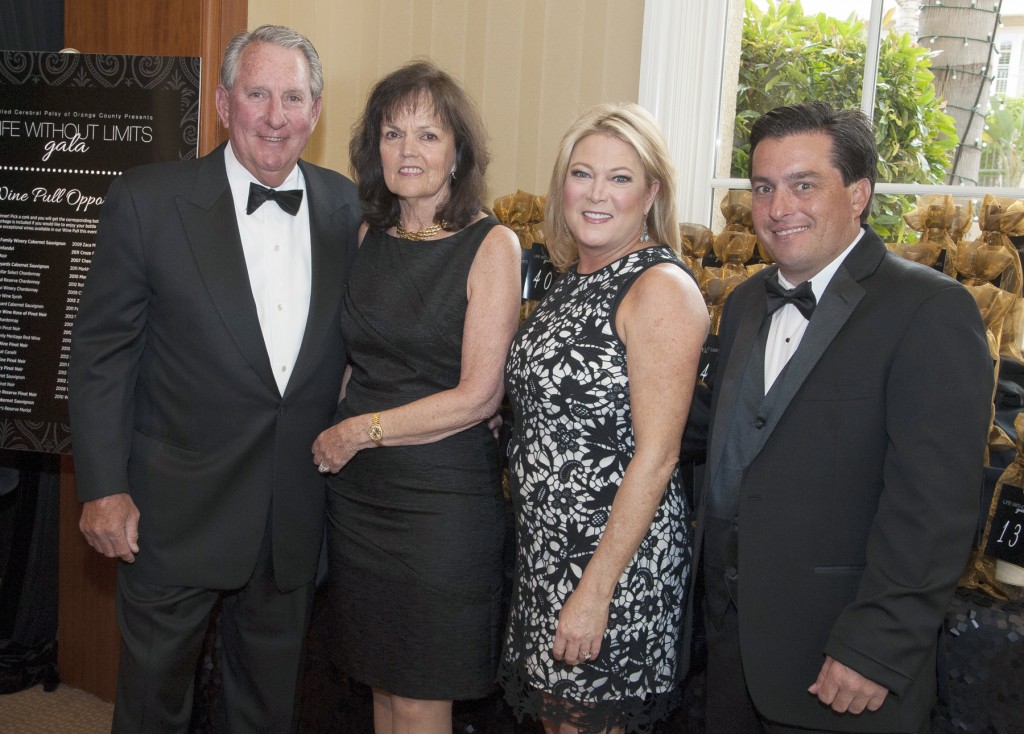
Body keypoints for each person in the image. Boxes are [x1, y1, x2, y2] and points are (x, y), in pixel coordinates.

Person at [68, 25, 360, 732]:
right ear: (224, 104)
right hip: (173, 512)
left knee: (264, 711)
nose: (274, 114)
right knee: (152, 707)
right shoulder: (147, 200)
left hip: (290, 515)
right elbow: (101, 355)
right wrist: (104, 489)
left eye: (292, 97)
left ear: (315, 112)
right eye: (257, 93)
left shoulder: (346, 209)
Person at [691, 101, 993, 733]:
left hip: (845, 667)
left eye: (805, 185)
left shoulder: (930, 309)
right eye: (765, 188)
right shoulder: (746, 303)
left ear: (859, 194)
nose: (778, 209)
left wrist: (874, 647)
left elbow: (935, 507)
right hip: (730, 655)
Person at [310, 60, 521, 734]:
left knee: (423, 688)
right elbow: (356, 361)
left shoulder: (493, 245)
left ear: (459, 151)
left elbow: (478, 397)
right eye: (393, 134)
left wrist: (355, 431)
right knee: (380, 684)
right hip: (360, 499)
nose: (408, 151)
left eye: (428, 136)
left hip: (440, 502)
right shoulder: (370, 238)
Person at [499, 102, 709, 734]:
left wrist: (595, 591)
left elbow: (659, 455)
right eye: (582, 173)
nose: (596, 194)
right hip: (546, 552)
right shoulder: (572, 276)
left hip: (614, 565)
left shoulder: (659, 287)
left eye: (620, 178)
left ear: (651, 193)